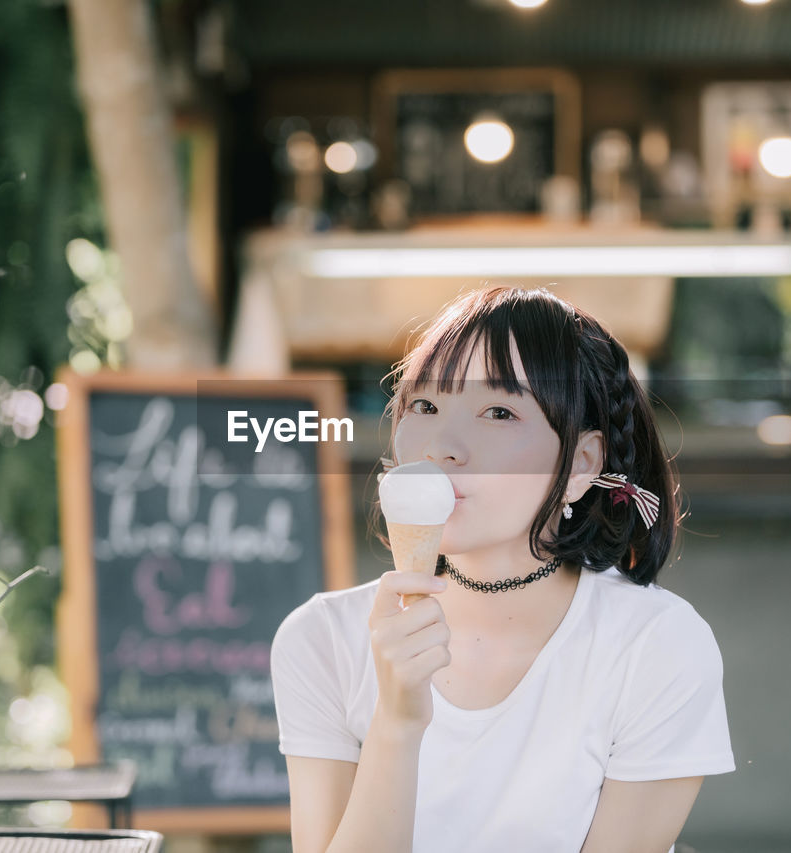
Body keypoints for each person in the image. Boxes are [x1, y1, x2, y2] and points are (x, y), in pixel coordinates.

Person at [270, 286, 735, 853]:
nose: (443, 446)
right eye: (425, 406)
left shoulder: (656, 647)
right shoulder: (321, 640)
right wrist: (396, 723)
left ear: (581, 464)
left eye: (499, 412)